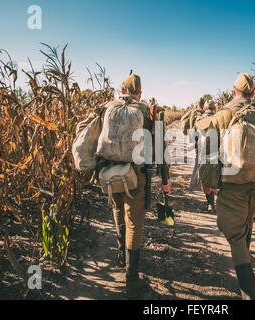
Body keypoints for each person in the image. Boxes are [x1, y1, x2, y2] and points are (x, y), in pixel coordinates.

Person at [195, 73, 255, 300]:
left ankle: (251, 295)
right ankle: (247, 264)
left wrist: (207, 180)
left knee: (236, 238)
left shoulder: (224, 114)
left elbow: (204, 136)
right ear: (253, 94)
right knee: (246, 225)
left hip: (233, 186)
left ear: (233, 92)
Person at [105, 74, 171, 299]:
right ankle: (132, 283)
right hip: (137, 174)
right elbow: (160, 149)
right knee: (134, 222)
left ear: (122, 89)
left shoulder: (109, 108)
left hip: (111, 173)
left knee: (117, 210)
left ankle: (121, 256)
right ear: (140, 93)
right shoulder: (147, 111)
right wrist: (165, 179)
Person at [189, 100, 217, 212]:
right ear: (214, 109)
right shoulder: (219, 119)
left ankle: (210, 203)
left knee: (205, 178)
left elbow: (193, 137)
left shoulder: (199, 119)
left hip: (202, 152)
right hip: (217, 152)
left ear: (205, 108)